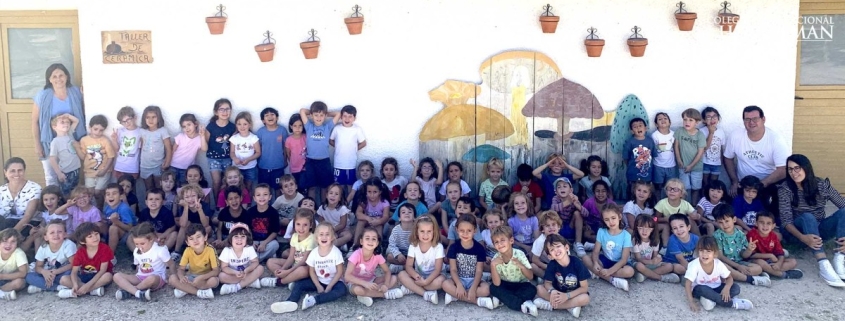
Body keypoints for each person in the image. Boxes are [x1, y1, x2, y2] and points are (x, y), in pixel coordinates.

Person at [778, 154, 845, 287]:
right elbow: (786, 222)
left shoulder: (822, 185)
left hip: (819, 231)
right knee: (808, 217)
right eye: (790, 169)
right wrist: (803, 238)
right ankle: (823, 262)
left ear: (806, 168)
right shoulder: (785, 189)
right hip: (796, 233)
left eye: (797, 168)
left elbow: (842, 204)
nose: (793, 173)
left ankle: (840, 256)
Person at [270, 222, 347, 313]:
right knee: (299, 284)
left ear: (333, 237)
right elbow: (312, 272)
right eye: (321, 234)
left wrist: (329, 286)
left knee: (342, 290)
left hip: (335, 282)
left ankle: (313, 300)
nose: (324, 237)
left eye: (327, 234)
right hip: (318, 280)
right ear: (316, 237)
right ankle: (291, 301)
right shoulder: (314, 253)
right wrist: (318, 286)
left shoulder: (335, 252)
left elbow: (339, 272)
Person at [723, 106, 790, 212]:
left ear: (763, 119)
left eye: (755, 119)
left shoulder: (776, 140)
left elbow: (783, 169)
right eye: (747, 119)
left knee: (768, 212)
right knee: (732, 208)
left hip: (768, 183)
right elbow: (727, 158)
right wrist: (734, 181)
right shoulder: (736, 136)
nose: (751, 122)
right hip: (744, 183)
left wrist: (762, 184)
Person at [32, 63, 86, 187]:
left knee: (73, 174)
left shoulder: (76, 92)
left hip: (71, 139)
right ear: (49, 79)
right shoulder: (42, 95)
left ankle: (71, 203)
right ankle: (54, 204)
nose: (58, 79)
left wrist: (85, 94)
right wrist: (37, 144)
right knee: (51, 176)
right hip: (49, 140)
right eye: (54, 76)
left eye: (61, 75)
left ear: (66, 76)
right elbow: (34, 121)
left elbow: (83, 112)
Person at [683, 235, 753, 311]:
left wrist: (726, 288)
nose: (704, 254)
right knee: (703, 290)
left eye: (708, 251)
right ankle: (732, 303)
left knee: (736, 288)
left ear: (715, 253)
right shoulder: (694, 265)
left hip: (716, 287)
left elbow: (729, 278)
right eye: (701, 250)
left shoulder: (718, 264)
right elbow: (688, 284)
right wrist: (691, 302)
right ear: (697, 252)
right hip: (700, 289)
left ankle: (712, 300)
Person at [442, 214, 495, 309]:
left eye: (469, 231)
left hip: (474, 280)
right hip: (458, 279)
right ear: (457, 230)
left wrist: (474, 288)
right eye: (462, 231)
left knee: (487, 289)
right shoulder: (454, 247)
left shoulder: (479, 248)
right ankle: (477, 301)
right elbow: (453, 269)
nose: (465, 234)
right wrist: (458, 285)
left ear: (475, 230)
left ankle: (455, 296)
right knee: (445, 284)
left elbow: (479, 271)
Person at [711, 204, 771, 287]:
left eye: (727, 221)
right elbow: (720, 257)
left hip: (740, 262)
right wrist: (738, 266)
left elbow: (743, 255)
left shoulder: (740, 234)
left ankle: (736, 276)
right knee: (722, 267)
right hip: (726, 263)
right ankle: (751, 279)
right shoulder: (717, 236)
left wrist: (749, 250)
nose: (724, 225)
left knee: (758, 268)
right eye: (720, 222)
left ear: (734, 219)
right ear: (716, 222)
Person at [532, 234, 590, 318]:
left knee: (585, 298)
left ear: (566, 247)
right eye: (552, 249)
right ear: (550, 256)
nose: (556, 250)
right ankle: (569, 307)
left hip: (573, 293)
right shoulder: (552, 265)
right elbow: (547, 283)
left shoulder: (577, 263)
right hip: (558, 292)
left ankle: (550, 305)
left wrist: (567, 296)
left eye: (558, 246)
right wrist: (552, 291)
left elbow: (584, 288)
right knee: (539, 288)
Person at [345, 227, 404, 306]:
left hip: (371, 280)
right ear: (361, 241)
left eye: (373, 239)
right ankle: (385, 294)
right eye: (367, 238)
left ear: (377, 243)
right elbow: (347, 276)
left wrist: (385, 285)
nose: (370, 241)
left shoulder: (377, 256)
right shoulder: (356, 255)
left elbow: (387, 271)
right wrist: (365, 284)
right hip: (355, 283)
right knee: (359, 290)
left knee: (393, 278)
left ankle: (367, 295)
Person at [581, 203, 633, 292]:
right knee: (585, 258)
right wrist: (596, 263)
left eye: (613, 218)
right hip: (606, 260)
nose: (611, 222)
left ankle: (598, 274)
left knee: (630, 271)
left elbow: (624, 259)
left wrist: (609, 271)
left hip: (621, 264)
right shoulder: (601, 232)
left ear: (619, 217)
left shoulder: (626, 235)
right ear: (603, 220)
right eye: (607, 219)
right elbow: (596, 251)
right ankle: (612, 280)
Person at [114, 222, 172, 301]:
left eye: (142, 243)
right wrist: (135, 277)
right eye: (136, 244)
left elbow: (171, 264)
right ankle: (138, 293)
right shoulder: (136, 251)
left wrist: (173, 277)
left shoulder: (160, 250)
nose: (139, 246)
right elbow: (138, 266)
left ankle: (131, 291)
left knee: (151, 278)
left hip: (157, 278)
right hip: (140, 277)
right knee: (116, 276)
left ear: (151, 239)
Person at [489, 226, 537, 316]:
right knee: (493, 288)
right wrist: (493, 265)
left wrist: (521, 266)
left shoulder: (519, 254)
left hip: (521, 284)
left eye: (503, 240)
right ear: (494, 245)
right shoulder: (495, 259)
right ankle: (524, 303)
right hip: (504, 284)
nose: (500, 244)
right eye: (496, 242)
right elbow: (497, 283)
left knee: (532, 289)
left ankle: (509, 301)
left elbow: (530, 277)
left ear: (511, 241)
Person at [57, 222, 113, 298]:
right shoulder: (80, 252)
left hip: (99, 276)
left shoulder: (104, 248)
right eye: (90, 236)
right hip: (85, 275)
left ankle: (85, 290)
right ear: (82, 241)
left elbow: (102, 270)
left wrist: (87, 286)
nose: (95, 238)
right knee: (63, 279)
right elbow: (74, 272)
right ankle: (92, 291)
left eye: (96, 234)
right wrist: (75, 284)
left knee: (108, 276)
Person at [262, 208, 315, 288]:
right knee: (270, 261)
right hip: (295, 264)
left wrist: (288, 271)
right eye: (298, 224)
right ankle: (290, 279)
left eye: (305, 225)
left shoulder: (311, 239)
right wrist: (282, 270)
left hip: (306, 266)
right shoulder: (294, 236)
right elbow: (291, 257)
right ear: (294, 224)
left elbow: (304, 261)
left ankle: (279, 281)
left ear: (310, 225)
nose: (301, 228)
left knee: (303, 271)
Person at [397, 215, 445, 304]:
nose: (425, 235)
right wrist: (416, 276)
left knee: (442, 281)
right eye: (422, 231)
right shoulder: (413, 245)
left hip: (434, 277)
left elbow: (438, 270)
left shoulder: (438, 247)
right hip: (418, 276)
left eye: (429, 231)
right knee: (401, 274)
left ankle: (412, 289)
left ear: (434, 232)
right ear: (416, 232)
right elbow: (409, 266)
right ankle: (425, 294)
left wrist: (426, 281)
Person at [299, 101, 341, 201]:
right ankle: (311, 208)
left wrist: (326, 113)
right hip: (311, 161)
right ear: (312, 116)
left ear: (325, 116)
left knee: (324, 187)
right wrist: (312, 112)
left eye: (321, 115)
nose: (319, 117)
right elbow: (302, 111)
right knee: (311, 186)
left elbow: (338, 114)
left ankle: (323, 208)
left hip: (324, 161)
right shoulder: (309, 126)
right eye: (316, 115)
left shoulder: (327, 127)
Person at [746, 210, 803, 279]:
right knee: (761, 263)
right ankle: (783, 275)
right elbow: (751, 255)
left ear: (773, 226)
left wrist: (778, 264)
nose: (765, 226)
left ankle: (768, 272)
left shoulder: (773, 236)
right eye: (761, 222)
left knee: (793, 262)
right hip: (756, 261)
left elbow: (780, 253)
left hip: (770, 261)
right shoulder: (752, 234)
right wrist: (770, 255)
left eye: (768, 223)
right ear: (756, 223)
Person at [25, 219, 76, 293]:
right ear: (46, 237)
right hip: (49, 274)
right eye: (52, 233)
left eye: (60, 232)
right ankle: (58, 287)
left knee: (69, 274)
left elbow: (74, 264)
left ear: (65, 234)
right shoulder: (43, 247)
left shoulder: (68, 245)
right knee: (29, 277)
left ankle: (44, 287)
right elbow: (38, 266)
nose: (56, 235)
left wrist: (56, 272)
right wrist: (44, 272)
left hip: (63, 273)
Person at [169, 223, 218, 299]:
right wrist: (182, 277)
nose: (195, 241)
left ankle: (185, 289)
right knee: (172, 278)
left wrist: (201, 278)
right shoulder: (188, 250)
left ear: (205, 237)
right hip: (192, 276)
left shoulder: (210, 250)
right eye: (191, 239)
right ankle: (199, 293)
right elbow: (181, 269)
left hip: (206, 276)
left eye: (198, 237)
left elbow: (216, 271)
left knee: (214, 281)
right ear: (187, 242)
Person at [631, 214, 679, 283]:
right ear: (636, 228)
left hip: (649, 264)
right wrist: (651, 262)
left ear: (652, 229)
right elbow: (638, 258)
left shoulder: (655, 240)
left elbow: (655, 256)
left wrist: (657, 259)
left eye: (648, 228)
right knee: (639, 266)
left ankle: (645, 275)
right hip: (638, 263)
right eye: (641, 228)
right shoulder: (635, 240)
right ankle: (661, 278)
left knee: (669, 266)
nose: (644, 231)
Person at [218, 223, 264, 295]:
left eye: (243, 236)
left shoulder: (249, 248)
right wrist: (235, 273)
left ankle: (237, 287)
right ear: (230, 239)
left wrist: (246, 270)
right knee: (221, 276)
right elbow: (224, 267)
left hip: (247, 272)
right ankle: (250, 282)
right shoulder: (227, 250)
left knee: (260, 268)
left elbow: (255, 262)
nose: (239, 239)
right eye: (236, 236)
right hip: (233, 274)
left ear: (247, 239)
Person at [330, 105, 367, 194]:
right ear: (341, 117)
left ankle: (349, 204)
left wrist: (354, 149)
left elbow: (363, 143)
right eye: (345, 116)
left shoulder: (357, 129)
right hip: (338, 164)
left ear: (354, 118)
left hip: (350, 164)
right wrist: (338, 147)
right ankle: (340, 203)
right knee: (339, 186)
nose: (347, 119)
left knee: (351, 185)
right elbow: (331, 140)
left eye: (350, 116)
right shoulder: (337, 128)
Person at [205, 98, 236, 200]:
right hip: (213, 158)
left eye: (227, 109)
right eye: (221, 109)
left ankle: (228, 204)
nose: (225, 112)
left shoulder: (232, 127)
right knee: (217, 182)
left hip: (228, 158)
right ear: (216, 112)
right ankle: (218, 205)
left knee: (228, 182)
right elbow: (206, 143)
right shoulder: (211, 126)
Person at [0, 158, 41, 234]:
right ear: (5, 172)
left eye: (20, 170)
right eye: (12, 171)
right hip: (4, 226)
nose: (16, 174)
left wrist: (10, 235)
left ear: (24, 171)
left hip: (26, 225)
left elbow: (27, 217)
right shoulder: (1, 190)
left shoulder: (34, 188)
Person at [674, 108, 706, 203]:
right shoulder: (680, 131)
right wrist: (679, 160)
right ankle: (684, 208)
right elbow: (676, 146)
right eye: (685, 119)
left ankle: (693, 207)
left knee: (695, 188)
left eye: (690, 120)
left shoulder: (700, 135)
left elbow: (700, 152)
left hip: (696, 167)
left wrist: (691, 166)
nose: (687, 122)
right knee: (684, 189)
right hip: (683, 166)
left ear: (697, 122)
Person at [80, 115, 115, 200]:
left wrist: (104, 170)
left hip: (104, 171)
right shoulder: (84, 140)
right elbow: (82, 156)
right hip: (89, 171)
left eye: (101, 130)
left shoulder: (105, 140)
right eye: (95, 129)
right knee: (90, 192)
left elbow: (111, 156)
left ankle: (101, 210)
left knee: (98, 192)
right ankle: (92, 211)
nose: (97, 132)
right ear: (90, 127)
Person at [255, 107, 288, 196]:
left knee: (278, 189)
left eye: (272, 114)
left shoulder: (282, 130)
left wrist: (285, 160)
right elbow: (258, 148)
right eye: (267, 115)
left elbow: (285, 147)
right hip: (263, 166)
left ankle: (278, 208)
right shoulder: (260, 132)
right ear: (263, 120)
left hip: (278, 166)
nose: (270, 117)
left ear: (277, 117)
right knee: (264, 190)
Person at [139, 105, 172, 191]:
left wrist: (167, 162)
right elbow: (141, 147)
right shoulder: (142, 131)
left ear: (159, 118)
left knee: (159, 187)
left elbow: (168, 148)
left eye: (153, 117)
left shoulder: (162, 131)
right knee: (148, 188)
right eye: (148, 117)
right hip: (145, 165)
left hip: (158, 165)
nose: (150, 120)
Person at [245, 184, 280, 262]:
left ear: (270, 197)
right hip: (253, 241)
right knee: (245, 244)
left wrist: (264, 243)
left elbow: (275, 232)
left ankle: (255, 259)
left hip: (268, 241)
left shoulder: (273, 212)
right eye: (258, 195)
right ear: (254, 198)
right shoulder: (250, 212)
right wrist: (251, 241)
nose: (262, 197)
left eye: (265, 194)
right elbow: (248, 229)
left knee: (275, 245)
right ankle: (264, 256)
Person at [48, 114, 82, 196]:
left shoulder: (70, 134)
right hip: (66, 173)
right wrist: (59, 173)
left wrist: (67, 116)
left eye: (67, 122)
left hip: (76, 169)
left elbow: (76, 120)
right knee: (66, 194)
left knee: (75, 192)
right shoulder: (55, 142)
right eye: (62, 122)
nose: (66, 124)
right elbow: (52, 159)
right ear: (54, 127)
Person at [170, 113, 207, 186]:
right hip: (173, 166)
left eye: (189, 125)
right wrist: (167, 162)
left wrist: (202, 136)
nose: (187, 128)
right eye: (184, 126)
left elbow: (204, 149)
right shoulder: (180, 136)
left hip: (187, 169)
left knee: (183, 188)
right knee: (172, 187)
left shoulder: (199, 138)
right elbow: (172, 150)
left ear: (195, 124)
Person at [353, 178, 390, 248]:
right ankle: (355, 245)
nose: (372, 195)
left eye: (375, 192)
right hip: (369, 222)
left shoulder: (384, 202)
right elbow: (358, 213)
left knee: (379, 224)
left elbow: (386, 216)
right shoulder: (364, 201)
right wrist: (367, 218)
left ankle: (378, 247)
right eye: (369, 192)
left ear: (380, 192)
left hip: (381, 225)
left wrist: (379, 221)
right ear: (366, 192)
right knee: (361, 221)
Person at [623, 117, 656, 195]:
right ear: (632, 131)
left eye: (640, 125)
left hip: (647, 175)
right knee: (632, 192)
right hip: (633, 175)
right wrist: (633, 166)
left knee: (646, 193)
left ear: (646, 128)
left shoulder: (650, 141)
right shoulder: (630, 142)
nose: (638, 127)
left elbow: (653, 155)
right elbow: (625, 158)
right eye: (635, 126)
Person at [230, 112, 261, 193]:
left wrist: (248, 159)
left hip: (250, 167)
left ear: (249, 124)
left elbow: (258, 152)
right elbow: (232, 152)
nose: (242, 126)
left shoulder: (253, 138)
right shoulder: (234, 138)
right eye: (239, 124)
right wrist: (235, 158)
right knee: (237, 188)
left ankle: (248, 205)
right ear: (236, 125)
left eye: (245, 124)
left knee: (248, 188)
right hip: (237, 168)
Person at [104, 183, 136, 253]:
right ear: (105, 198)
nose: (111, 196)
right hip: (117, 232)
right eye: (108, 194)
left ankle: (110, 256)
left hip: (129, 234)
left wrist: (116, 221)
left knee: (113, 227)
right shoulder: (107, 208)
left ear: (121, 197)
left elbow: (130, 228)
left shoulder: (124, 208)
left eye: (114, 193)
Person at [111, 106, 141, 180]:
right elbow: (117, 149)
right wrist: (114, 140)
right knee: (119, 189)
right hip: (120, 165)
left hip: (133, 167)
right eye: (123, 122)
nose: (126, 123)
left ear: (135, 117)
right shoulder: (120, 131)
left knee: (131, 188)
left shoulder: (140, 132)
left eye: (128, 120)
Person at [651, 112, 677, 197]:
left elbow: (676, 148)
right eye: (660, 119)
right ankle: (657, 205)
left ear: (670, 122)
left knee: (670, 187)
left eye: (665, 118)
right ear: (656, 124)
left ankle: (668, 205)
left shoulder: (674, 134)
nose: (663, 120)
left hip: (671, 166)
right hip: (658, 166)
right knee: (657, 187)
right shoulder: (654, 135)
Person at [700, 107, 726, 186]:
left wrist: (721, 162)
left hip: (716, 163)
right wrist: (711, 133)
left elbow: (721, 148)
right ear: (704, 120)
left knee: (713, 184)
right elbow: (704, 148)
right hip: (704, 162)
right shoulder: (702, 131)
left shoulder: (721, 132)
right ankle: (704, 197)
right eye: (708, 117)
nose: (712, 119)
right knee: (705, 183)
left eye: (715, 116)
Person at [386, 203, 415, 274]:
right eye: (403, 212)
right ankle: (408, 267)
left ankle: (402, 267)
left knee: (420, 260)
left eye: (410, 212)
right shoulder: (396, 230)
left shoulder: (417, 230)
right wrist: (398, 254)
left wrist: (411, 255)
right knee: (390, 257)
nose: (407, 214)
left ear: (414, 217)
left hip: (412, 254)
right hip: (400, 252)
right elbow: (392, 244)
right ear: (399, 218)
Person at [0, 228, 28, 300]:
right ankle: (3, 293)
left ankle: (1, 292)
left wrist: (2, 276)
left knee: (19, 282)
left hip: (12, 279)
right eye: (5, 241)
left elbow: (23, 273)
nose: (8, 244)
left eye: (13, 241)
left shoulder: (19, 253)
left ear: (17, 243)